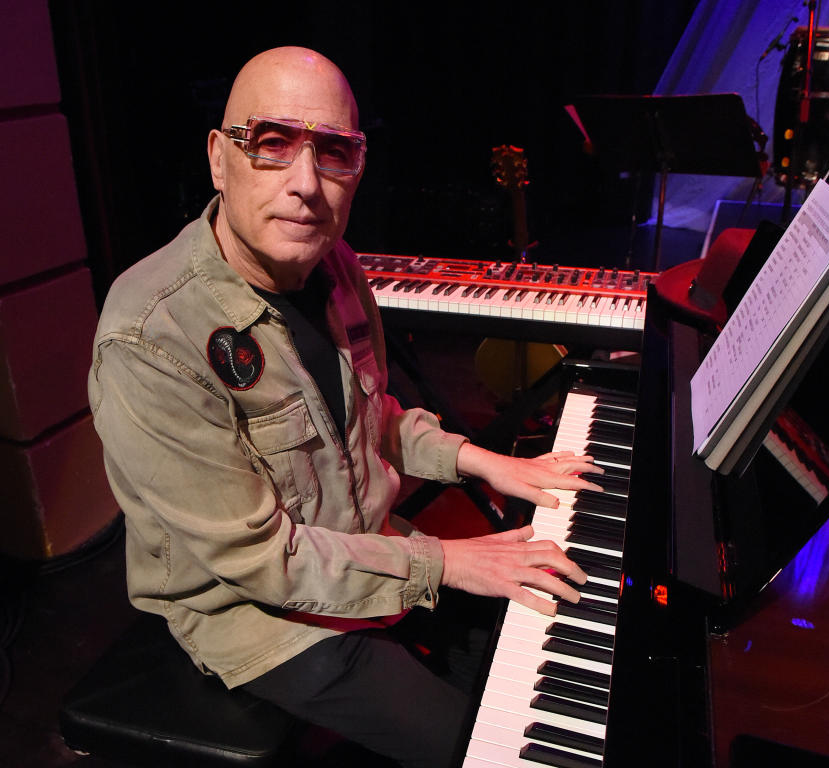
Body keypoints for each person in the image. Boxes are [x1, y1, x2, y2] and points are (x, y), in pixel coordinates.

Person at [88, 46, 603, 768]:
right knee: (494, 750)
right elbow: (263, 561)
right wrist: (447, 562)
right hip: (260, 622)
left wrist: (490, 463)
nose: (306, 185)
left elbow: (373, 418)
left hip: (365, 553)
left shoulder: (335, 267)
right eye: (272, 144)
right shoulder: (150, 337)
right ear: (218, 158)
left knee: (561, 644)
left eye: (334, 152)